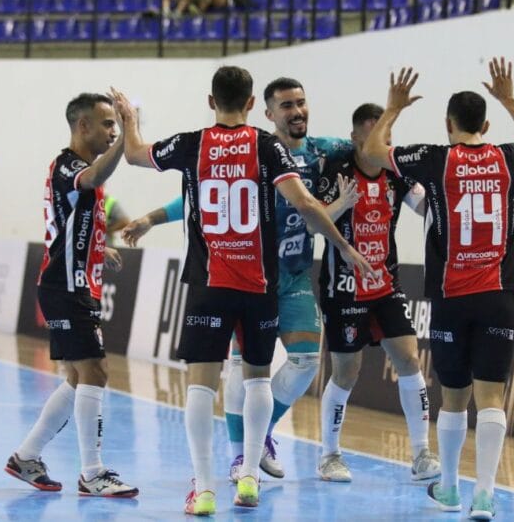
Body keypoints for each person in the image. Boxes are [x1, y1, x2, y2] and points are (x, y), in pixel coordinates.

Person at [116, 66, 372, 516]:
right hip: (259, 284)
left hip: (210, 283)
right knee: (256, 380)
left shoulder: (193, 143)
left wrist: (128, 118)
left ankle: (205, 487)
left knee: (201, 386)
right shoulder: (266, 144)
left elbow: (135, 154)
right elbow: (306, 204)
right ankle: (249, 476)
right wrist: (345, 246)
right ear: (254, 104)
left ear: (211, 102)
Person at [361, 59, 514, 521]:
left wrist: (393, 109)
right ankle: (483, 495)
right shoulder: (510, 158)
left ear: (448, 124)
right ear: (485, 124)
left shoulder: (435, 159)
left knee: (454, 398)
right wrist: (511, 100)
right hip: (497, 295)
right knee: (492, 399)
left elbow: (371, 150)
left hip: (450, 298)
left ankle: (448, 488)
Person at [4, 91, 139, 498]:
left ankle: (26, 456)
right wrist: (129, 133)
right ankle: (92, 473)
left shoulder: (75, 169)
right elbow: (95, 177)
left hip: (73, 284)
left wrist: (100, 247)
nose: (113, 130)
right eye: (107, 123)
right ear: (83, 126)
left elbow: (72, 224)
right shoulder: (69, 166)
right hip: (66, 288)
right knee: (94, 372)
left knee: (79, 377)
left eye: (116, 123)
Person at [313, 103, 441, 483]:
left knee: (409, 360)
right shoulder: (335, 171)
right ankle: (329, 455)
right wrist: (342, 204)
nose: (381, 143)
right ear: (355, 139)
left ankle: (421, 455)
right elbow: (314, 221)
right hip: (344, 287)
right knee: (346, 373)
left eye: (386, 136)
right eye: (372, 136)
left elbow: (426, 208)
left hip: (386, 284)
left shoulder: (395, 173)